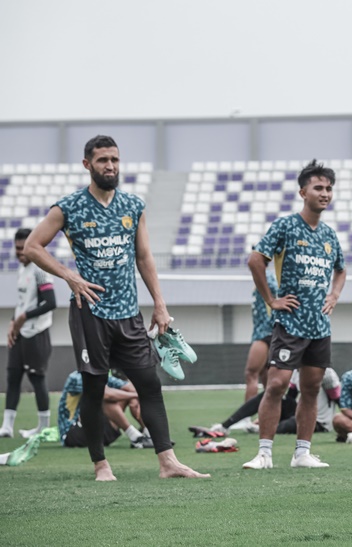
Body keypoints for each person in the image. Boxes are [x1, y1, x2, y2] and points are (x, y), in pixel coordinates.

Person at [23, 134, 207, 481]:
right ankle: (101, 465)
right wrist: (69, 276)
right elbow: (33, 246)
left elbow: (144, 257)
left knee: (149, 385)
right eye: (103, 160)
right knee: (94, 388)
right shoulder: (68, 207)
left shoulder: (133, 205)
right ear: (87, 165)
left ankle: (168, 462)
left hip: (129, 314)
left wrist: (160, 305)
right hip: (90, 313)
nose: (110, 166)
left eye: (115, 160)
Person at [242, 159, 347, 470]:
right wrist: (271, 300)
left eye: (329, 188)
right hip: (290, 323)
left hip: (319, 326)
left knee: (312, 388)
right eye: (318, 187)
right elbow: (255, 260)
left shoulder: (329, 235)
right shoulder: (285, 226)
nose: (325, 193)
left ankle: (302, 453)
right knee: (276, 384)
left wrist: (335, 294)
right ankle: (264, 453)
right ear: (303, 192)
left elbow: (341, 270)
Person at [1, 228, 56, 439]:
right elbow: (23, 303)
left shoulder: (40, 269)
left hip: (37, 332)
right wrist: (13, 322)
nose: (20, 252)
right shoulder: (21, 270)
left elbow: (50, 302)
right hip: (20, 332)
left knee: (37, 378)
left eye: (24, 247)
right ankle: (7, 426)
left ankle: (43, 427)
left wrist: (25, 317)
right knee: (13, 376)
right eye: (17, 248)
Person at [193, 367, 340, 437]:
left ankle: (262, 429)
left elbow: (338, 400)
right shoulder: (296, 371)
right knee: (271, 395)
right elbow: (290, 398)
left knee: (292, 423)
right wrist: (266, 413)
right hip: (298, 414)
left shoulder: (326, 373)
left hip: (319, 421)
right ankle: (224, 426)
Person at [58, 370, 153, 450]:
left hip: (95, 429)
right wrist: (137, 395)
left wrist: (134, 399)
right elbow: (106, 394)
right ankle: (136, 438)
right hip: (71, 434)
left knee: (128, 395)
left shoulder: (100, 374)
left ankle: (149, 434)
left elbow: (128, 386)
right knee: (104, 398)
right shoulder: (76, 378)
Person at [244, 268, 278, 403]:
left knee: (251, 373)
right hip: (263, 331)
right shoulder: (260, 278)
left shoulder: (267, 276)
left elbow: (275, 289)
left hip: (265, 332)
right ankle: (269, 417)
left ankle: (245, 417)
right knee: (266, 377)